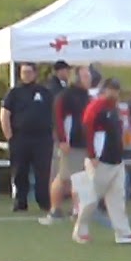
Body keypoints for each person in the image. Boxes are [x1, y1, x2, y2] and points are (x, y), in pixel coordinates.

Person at [73, 78, 131, 244]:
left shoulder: (114, 108)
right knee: (90, 198)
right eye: (112, 89)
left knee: (117, 198)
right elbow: (87, 129)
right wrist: (92, 155)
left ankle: (123, 232)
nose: (115, 93)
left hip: (116, 159)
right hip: (101, 159)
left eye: (116, 89)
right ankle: (80, 230)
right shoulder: (96, 106)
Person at [0, 63, 54, 212]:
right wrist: (9, 136)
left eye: (29, 72)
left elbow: (54, 112)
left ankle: (44, 202)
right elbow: (5, 114)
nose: (26, 75)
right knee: (20, 172)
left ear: (35, 73)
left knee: (43, 172)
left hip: (42, 139)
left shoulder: (44, 92)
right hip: (20, 138)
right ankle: (20, 202)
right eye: (24, 72)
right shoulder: (14, 93)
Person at [41, 65, 92, 223]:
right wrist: (63, 140)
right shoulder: (65, 96)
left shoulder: (86, 96)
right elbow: (58, 119)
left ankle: (76, 209)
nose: (89, 79)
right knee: (64, 177)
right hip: (71, 143)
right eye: (85, 76)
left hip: (83, 143)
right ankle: (55, 209)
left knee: (79, 177)